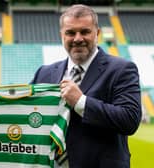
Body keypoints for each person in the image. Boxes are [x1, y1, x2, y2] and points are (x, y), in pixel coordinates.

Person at [31, 4, 142, 168]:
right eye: (70, 33)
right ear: (62, 35)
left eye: (84, 32)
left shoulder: (122, 69)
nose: (77, 38)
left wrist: (81, 102)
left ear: (97, 33)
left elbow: (129, 119)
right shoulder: (44, 73)